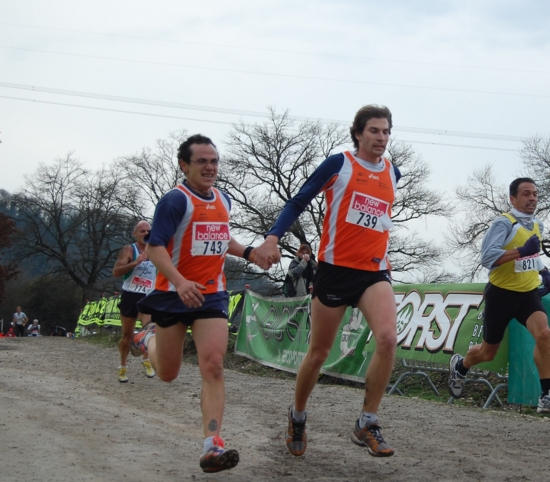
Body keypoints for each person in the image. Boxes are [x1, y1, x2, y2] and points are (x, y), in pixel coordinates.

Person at [254, 105, 401, 458]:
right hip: (335, 271)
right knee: (319, 353)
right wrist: (273, 237)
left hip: (373, 271)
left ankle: (367, 422)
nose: (381, 138)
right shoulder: (339, 164)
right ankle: (298, 415)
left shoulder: (393, 172)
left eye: (385, 132)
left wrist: (384, 250)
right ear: (358, 134)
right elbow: (298, 201)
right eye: (374, 131)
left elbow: (379, 217)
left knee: (387, 338)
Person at [132, 134, 264, 473]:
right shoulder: (175, 201)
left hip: (212, 294)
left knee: (214, 365)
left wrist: (250, 253)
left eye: (214, 161)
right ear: (184, 165)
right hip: (173, 294)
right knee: (168, 374)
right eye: (202, 161)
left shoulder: (224, 199)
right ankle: (148, 338)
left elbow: (221, 236)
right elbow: (154, 248)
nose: (210, 167)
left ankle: (212, 445)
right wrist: (178, 281)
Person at [448, 177, 550, 414]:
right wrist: (521, 251)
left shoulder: (538, 226)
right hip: (501, 295)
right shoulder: (504, 224)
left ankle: (546, 394)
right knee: (487, 352)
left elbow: (531, 256)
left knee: (544, 334)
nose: (532, 198)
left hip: (527, 293)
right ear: (513, 198)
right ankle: (461, 367)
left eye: (535, 193)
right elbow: (487, 258)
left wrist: (544, 270)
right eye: (526, 194)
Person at [112, 220, 157, 383]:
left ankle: (146, 360)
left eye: (148, 231)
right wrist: (135, 263)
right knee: (127, 335)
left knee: (149, 332)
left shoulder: (157, 250)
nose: (145, 233)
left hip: (149, 296)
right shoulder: (129, 250)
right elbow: (116, 272)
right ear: (135, 234)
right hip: (131, 295)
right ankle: (123, 366)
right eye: (142, 231)